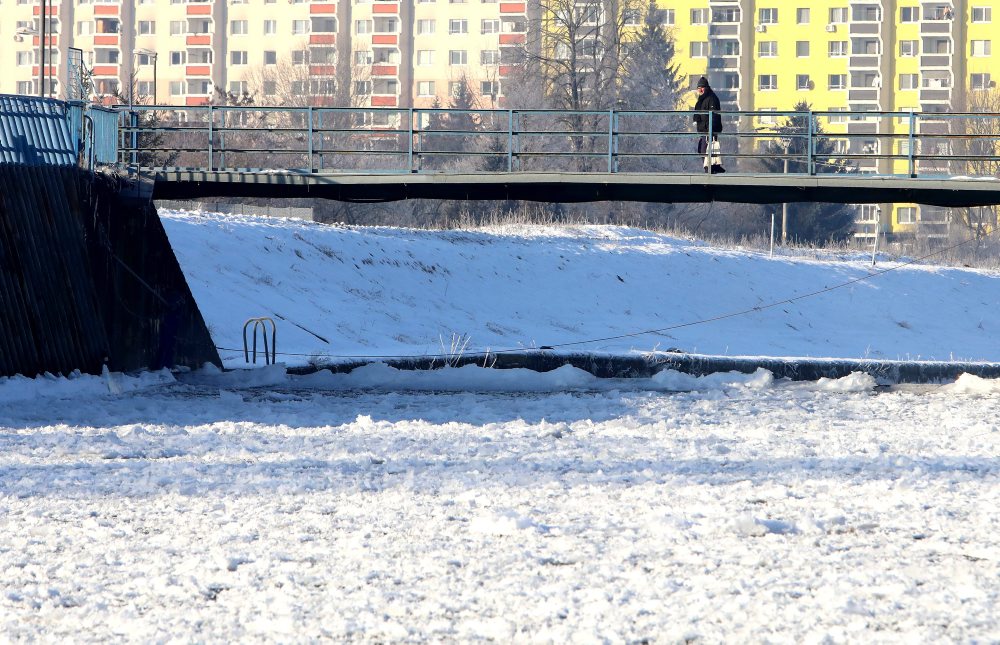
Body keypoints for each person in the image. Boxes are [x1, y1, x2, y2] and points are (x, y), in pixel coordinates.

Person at [693, 76, 725, 174]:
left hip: (709, 130)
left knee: (705, 150)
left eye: (702, 88)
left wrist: (711, 130)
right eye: (699, 88)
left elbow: (714, 115)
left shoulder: (711, 98)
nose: (700, 90)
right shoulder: (703, 98)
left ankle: (710, 171)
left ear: (706, 88)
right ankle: (714, 168)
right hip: (704, 130)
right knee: (702, 150)